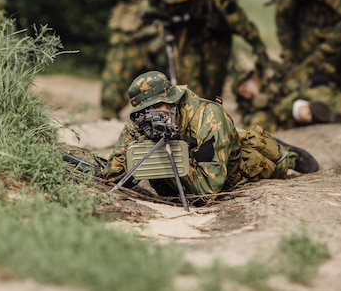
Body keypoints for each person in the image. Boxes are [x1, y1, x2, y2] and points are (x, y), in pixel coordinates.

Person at [102, 71, 319, 202]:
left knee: (266, 163)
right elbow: (113, 176)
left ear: (173, 100)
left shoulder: (208, 116)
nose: (155, 113)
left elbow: (208, 191)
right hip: (191, 171)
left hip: (236, 171)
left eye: (159, 105)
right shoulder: (141, 121)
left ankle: (286, 154)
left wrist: (165, 155)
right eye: (147, 109)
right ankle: (240, 137)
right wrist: (140, 141)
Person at [149, 0, 272, 102]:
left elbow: (236, 18)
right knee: (189, 84)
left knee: (212, 85)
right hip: (185, 34)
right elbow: (149, 4)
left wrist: (255, 42)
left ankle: (210, 118)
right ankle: (193, 118)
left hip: (215, 36)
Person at [82, 0, 167, 120]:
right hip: (150, 33)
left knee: (116, 74)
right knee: (146, 75)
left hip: (132, 34)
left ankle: (109, 114)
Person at [231, 52, 341, 131]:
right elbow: (255, 123)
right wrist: (261, 104)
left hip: (305, 93)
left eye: (245, 87)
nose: (246, 92)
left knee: (332, 97)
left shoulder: (272, 73)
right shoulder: (251, 107)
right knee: (301, 108)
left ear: (253, 77)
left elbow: (295, 74)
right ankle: (322, 117)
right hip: (287, 110)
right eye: (242, 93)